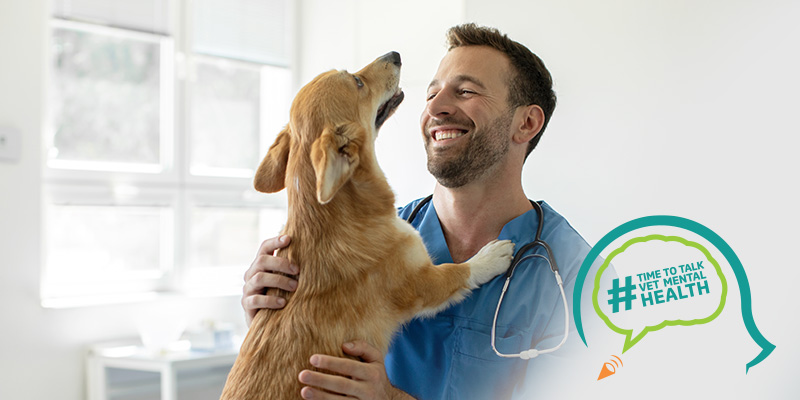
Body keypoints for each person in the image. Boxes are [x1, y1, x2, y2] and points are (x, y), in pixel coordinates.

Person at [241, 23, 597, 399]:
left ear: (526, 123)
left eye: (465, 91)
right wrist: (275, 319)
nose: (435, 108)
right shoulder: (364, 243)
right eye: (432, 93)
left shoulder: (579, 280)